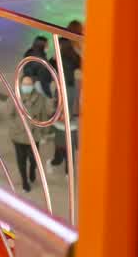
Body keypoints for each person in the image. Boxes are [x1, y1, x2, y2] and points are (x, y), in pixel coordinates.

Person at [49, 20, 83, 170]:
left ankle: (61, 152)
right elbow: (80, 64)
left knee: (63, 115)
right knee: (67, 118)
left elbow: (52, 61)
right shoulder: (73, 48)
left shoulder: (62, 45)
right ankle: (67, 150)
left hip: (61, 85)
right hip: (69, 85)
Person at [10, 75, 54, 192]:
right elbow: (9, 115)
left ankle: (32, 170)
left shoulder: (40, 98)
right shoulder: (15, 97)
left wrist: (45, 132)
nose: (26, 87)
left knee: (34, 159)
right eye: (24, 84)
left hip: (34, 136)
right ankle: (25, 181)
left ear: (33, 85)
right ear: (20, 84)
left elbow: (43, 115)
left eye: (29, 84)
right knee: (21, 160)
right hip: (18, 135)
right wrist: (17, 127)